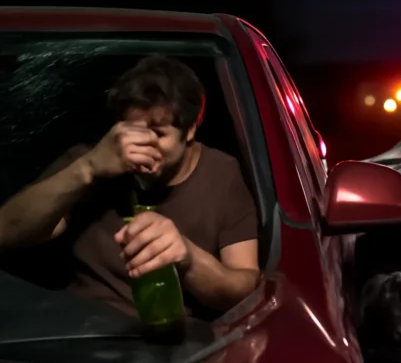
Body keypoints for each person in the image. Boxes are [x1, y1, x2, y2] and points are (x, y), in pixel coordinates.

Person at [0, 54, 261, 319]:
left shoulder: (222, 175)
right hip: (80, 330)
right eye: (132, 130)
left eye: (159, 134)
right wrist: (88, 168)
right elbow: (5, 231)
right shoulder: (91, 159)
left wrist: (187, 257)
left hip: (175, 344)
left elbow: (244, 289)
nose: (142, 146)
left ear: (190, 129)